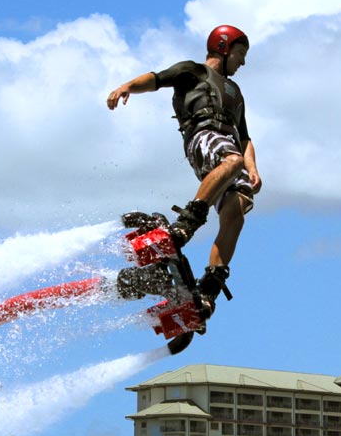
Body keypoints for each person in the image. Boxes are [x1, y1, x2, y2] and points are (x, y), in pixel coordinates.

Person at [106, 25, 262, 314]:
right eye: (240, 54)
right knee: (232, 161)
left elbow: (244, 137)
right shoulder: (194, 72)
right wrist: (127, 86)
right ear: (224, 48)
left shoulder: (236, 93)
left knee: (237, 210)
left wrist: (253, 168)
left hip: (229, 146)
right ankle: (186, 225)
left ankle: (209, 287)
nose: (243, 62)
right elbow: (155, 79)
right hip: (203, 136)